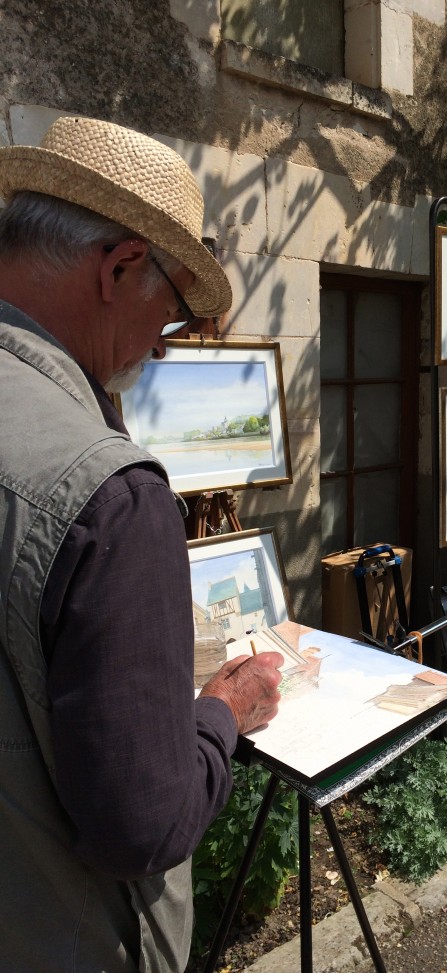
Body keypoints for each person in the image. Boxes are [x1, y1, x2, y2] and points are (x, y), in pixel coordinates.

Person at [0, 116, 285, 973]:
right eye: (175, 305)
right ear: (121, 267)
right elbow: (143, 824)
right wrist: (223, 712)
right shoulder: (111, 494)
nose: (168, 342)